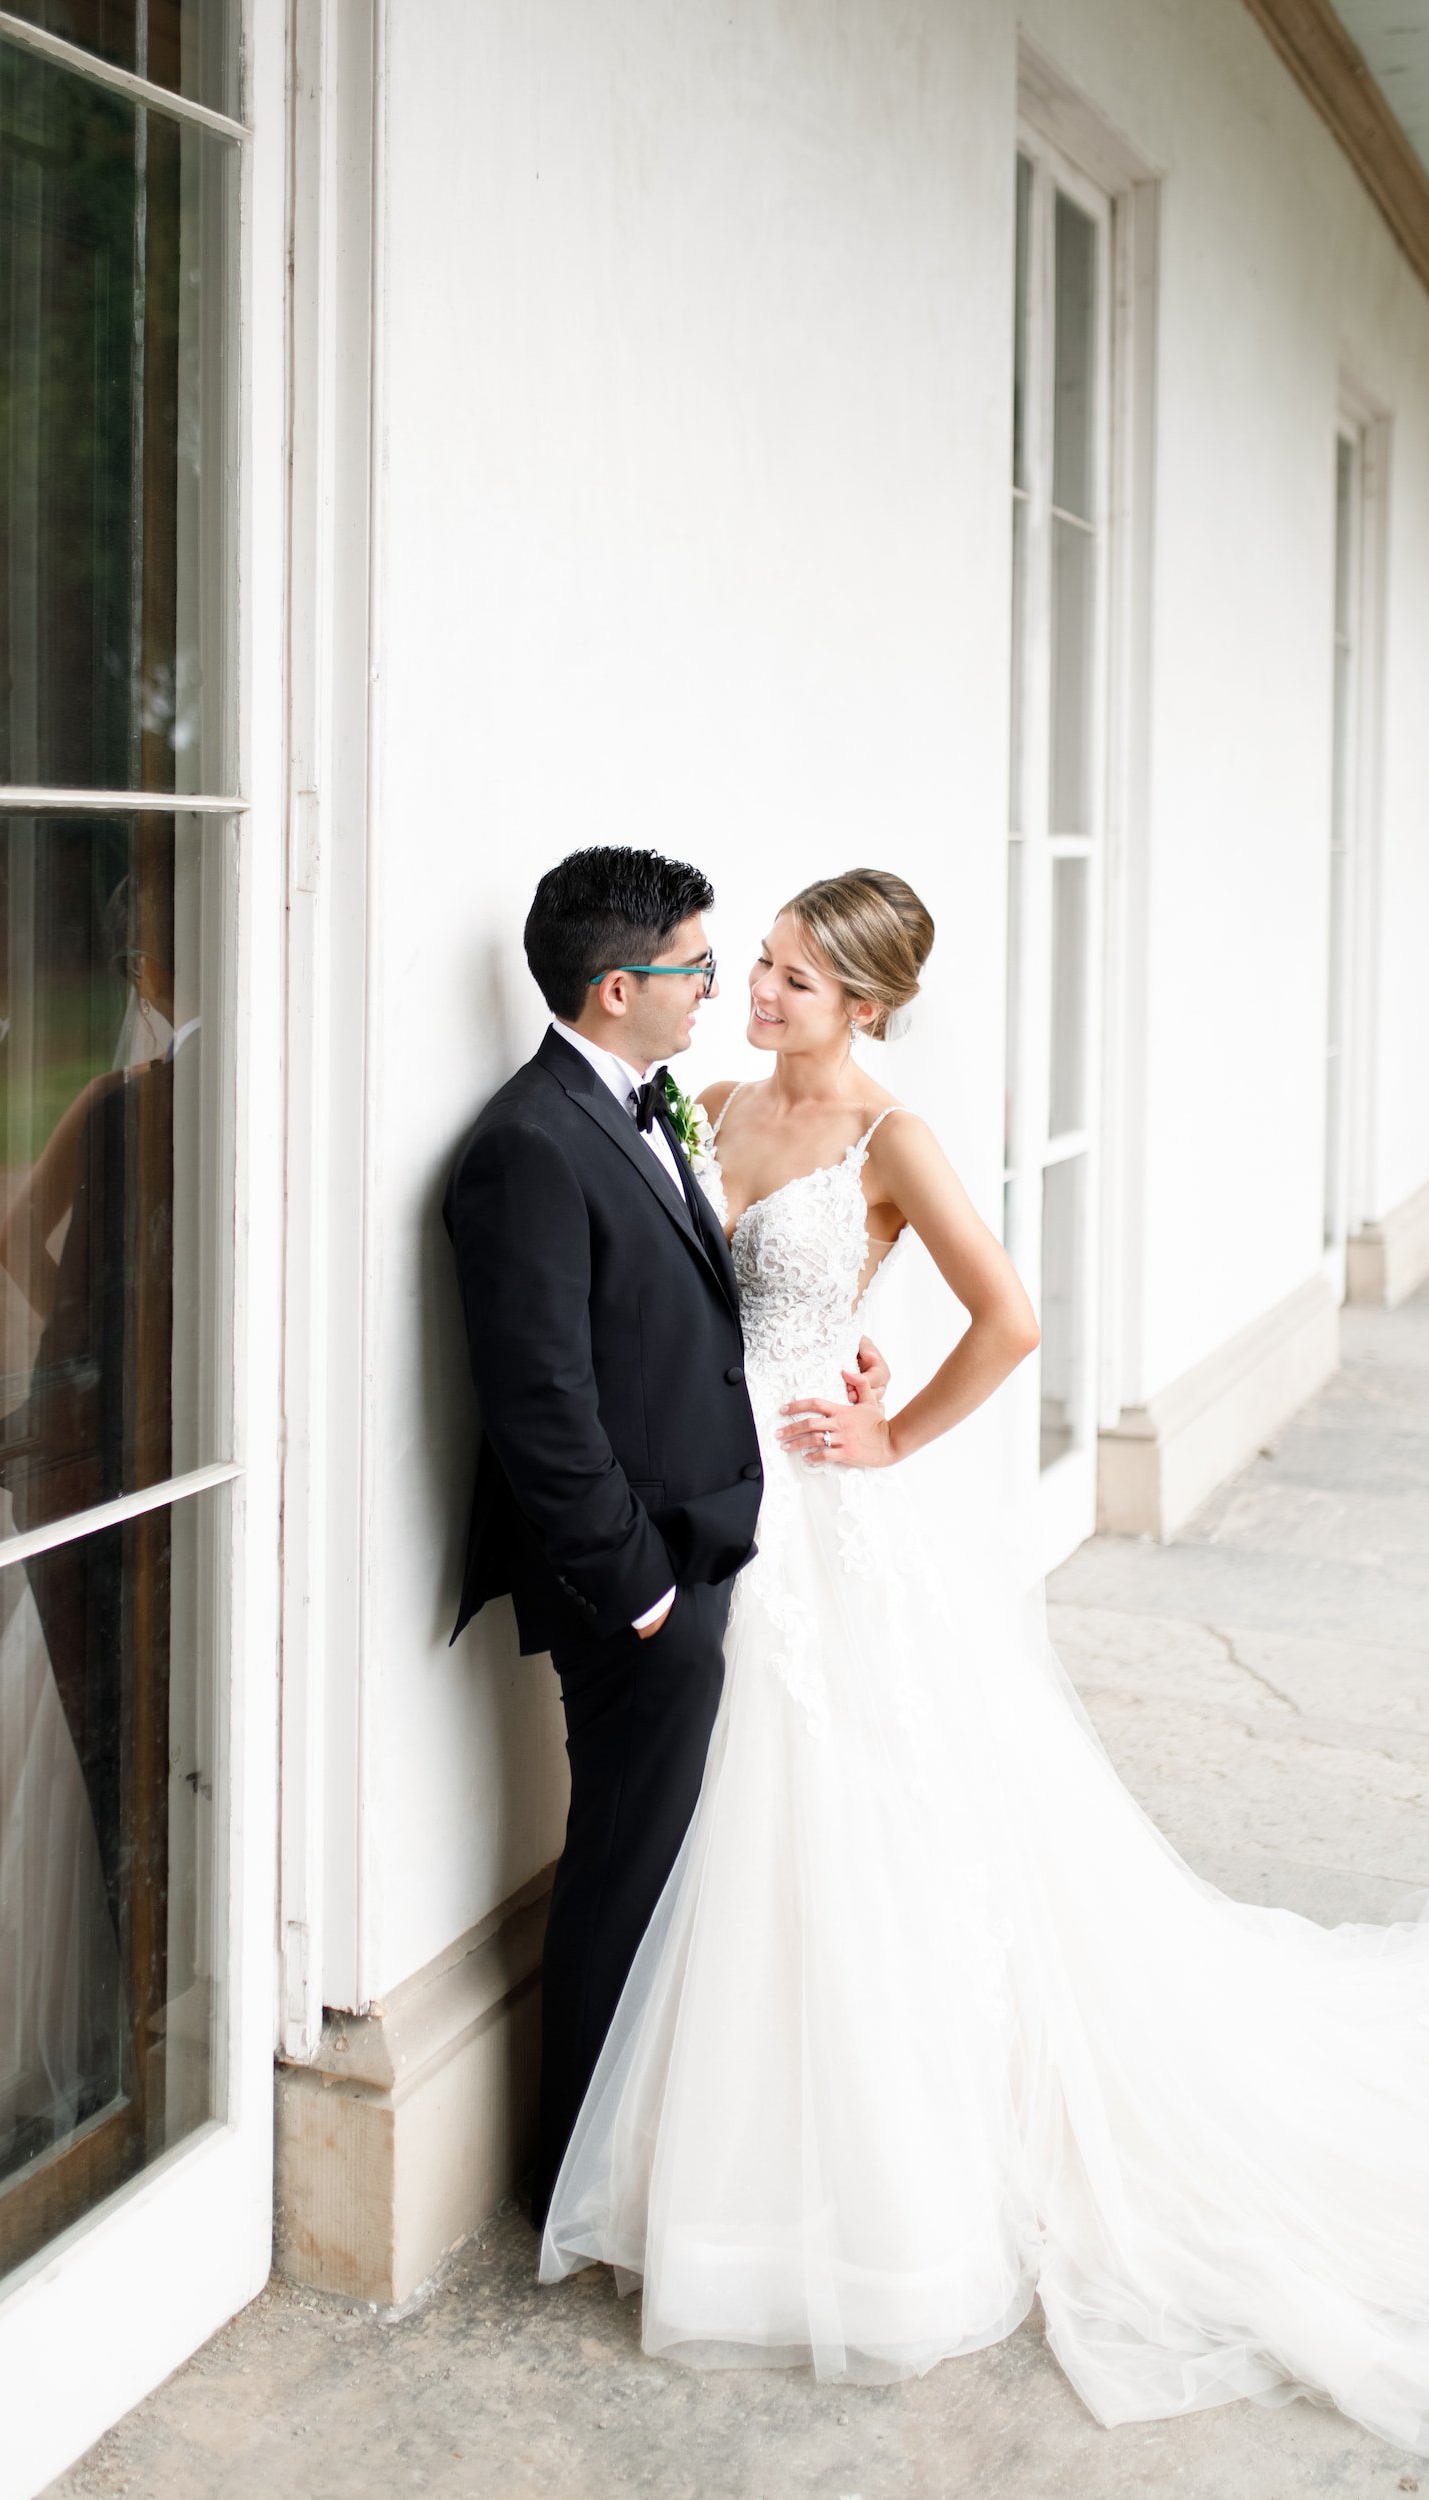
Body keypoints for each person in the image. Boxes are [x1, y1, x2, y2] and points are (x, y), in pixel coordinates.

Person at [539, 867, 1429, 2465]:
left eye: (798, 980)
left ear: (866, 1007)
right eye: (767, 967)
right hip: (721, 1505)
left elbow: (1009, 1323)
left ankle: (869, 2194)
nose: (762, 993)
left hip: (829, 1510)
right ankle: (705, 2165)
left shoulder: (895, 1144)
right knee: (723, 1823)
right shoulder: (708, 1099)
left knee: (848, 1824)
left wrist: (885, 1427)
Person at [443, 848, 888, 2227]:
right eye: (701, 967)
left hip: (716, 1536)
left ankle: (645, 2153)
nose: (722, 989)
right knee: (623, 1874)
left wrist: (848, 1369)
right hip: (635, 1580)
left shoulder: (648, 1105)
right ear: (618, 985)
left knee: (680, 1865)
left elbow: (698, 1313)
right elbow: (541, 1407)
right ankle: (576, 2178)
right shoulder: (526, 1144)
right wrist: (642, 1595)